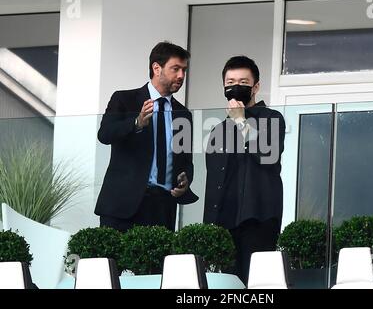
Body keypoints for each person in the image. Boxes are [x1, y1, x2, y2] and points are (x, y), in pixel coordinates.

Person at [95, 41, 198, 233]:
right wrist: (136, 123)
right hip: (122, 207)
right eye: (175, 69)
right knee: (114, 263)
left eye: (184, 70)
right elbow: (105, 134)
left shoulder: (183, 114)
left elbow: (186, 160)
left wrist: (186, 179)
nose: (181, 76)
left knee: (157, 264)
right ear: (156, 68)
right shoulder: (124, 99)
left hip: (163, 207)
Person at [203, 56, 285, 285]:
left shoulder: (272, 118)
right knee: (224, 284)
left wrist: (241, 121)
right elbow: (215, 179)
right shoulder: (218, 129)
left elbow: (268, 155)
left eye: (242, 81)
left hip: (257, 218)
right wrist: (209, 225)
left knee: (256, 284)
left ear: (256, 86)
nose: (235, 87)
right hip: (223, 221)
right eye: (230, 82)